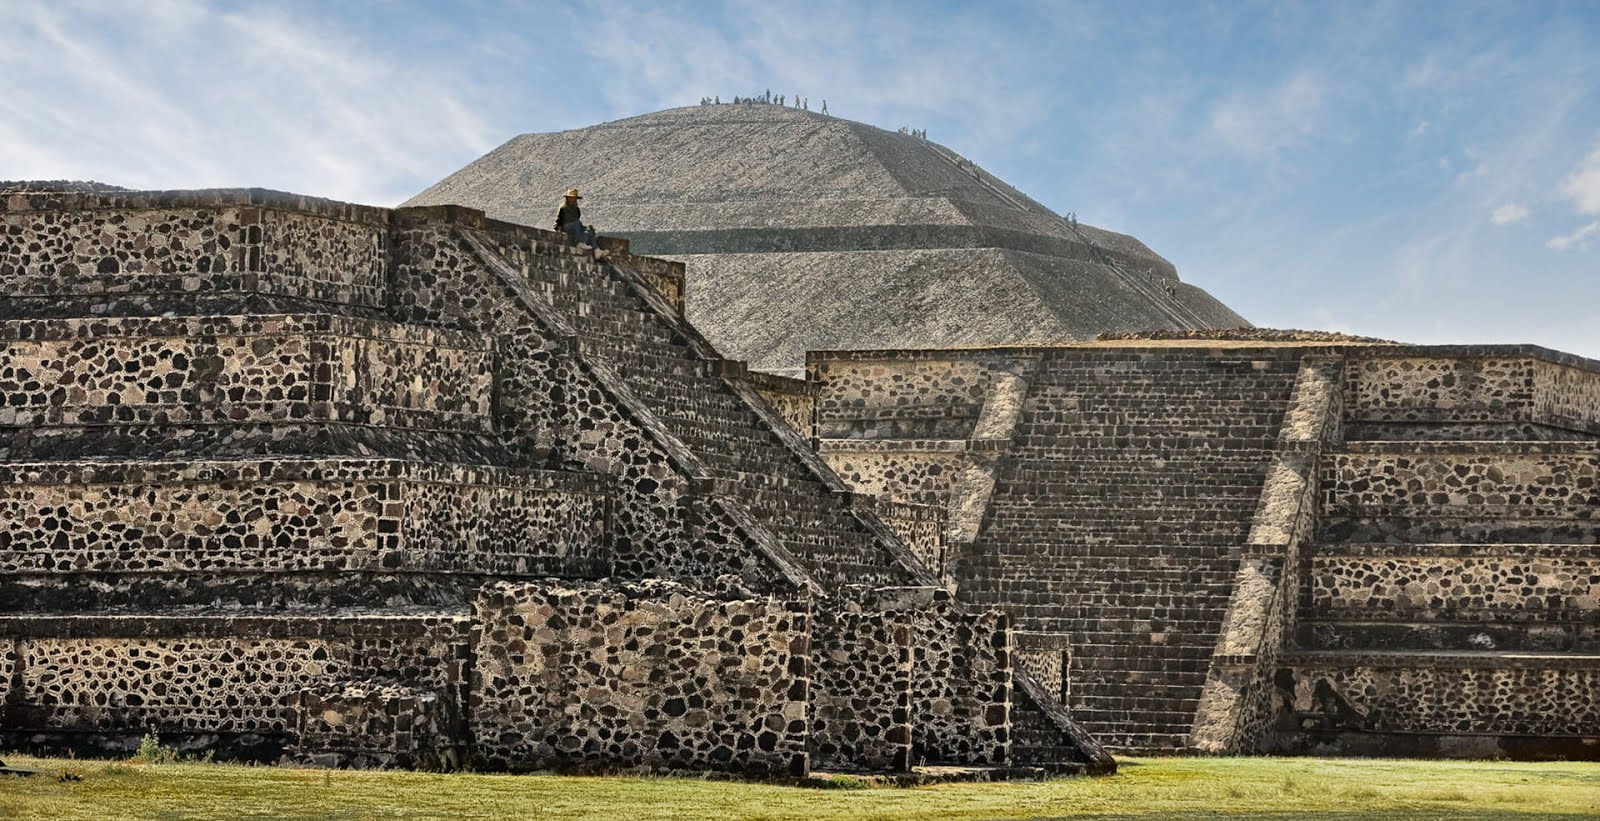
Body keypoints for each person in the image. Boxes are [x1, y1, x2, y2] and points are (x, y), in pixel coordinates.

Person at [555, 188, 604, 257]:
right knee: (577, 223)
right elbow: (559, 219)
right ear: (567, 198)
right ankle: (580, 242)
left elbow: (577, 221)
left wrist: (585, 228)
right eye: (571, 198)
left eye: (574, 198)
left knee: (588, 231)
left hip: (575, 228)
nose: (573, 199)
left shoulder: (577, 209)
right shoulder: (563, 207)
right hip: (566, 227)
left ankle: (596, 250)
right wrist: (558, 229)